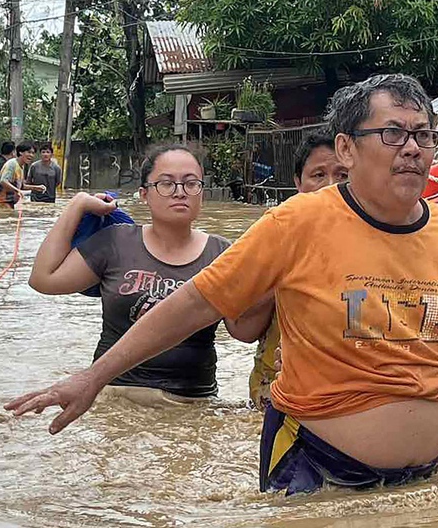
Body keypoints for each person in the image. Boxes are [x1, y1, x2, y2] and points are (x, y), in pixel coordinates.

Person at [6, 74, 438, 496]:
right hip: (316, 472)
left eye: (423, 134)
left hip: (427, 479)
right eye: (392, 133)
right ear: (346, 149)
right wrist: (93, 378)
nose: (412, 148)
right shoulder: (297, 221)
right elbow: (195, 303)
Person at [23, 145, 269, 402]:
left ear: (202, 194)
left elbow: (243, 332)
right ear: (144, 194)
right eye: (166, 184)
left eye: (190, 183)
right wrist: (77, 204)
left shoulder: (222, 253)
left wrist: (274, 278)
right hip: (111, 396)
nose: (180, 192)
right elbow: (43, 279)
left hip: (191, 402)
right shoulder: (116, 241)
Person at [247, 127, 350, 409]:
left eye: (342, 175)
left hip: (344, 396)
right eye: (318, 175)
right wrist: (284, 276)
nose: (330, 186)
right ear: (298, 183)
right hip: (272, 393)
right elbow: (242, 329)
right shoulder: (277, 233)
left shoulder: (377, 240)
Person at [0, 142, 44, 211]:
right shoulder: (12, 163)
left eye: (33, 153)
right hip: (0, 202)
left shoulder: (22, 166)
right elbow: (3, 181)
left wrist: (36, 187)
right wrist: (18, 191)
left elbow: (21, 186)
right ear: (20, 152)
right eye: (29, 152)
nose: (31, 155)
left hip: (10, 203)